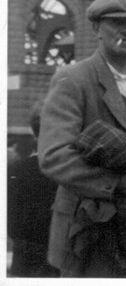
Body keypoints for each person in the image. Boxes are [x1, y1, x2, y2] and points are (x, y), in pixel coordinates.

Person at [37, 0, 126, 278]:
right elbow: (53, 156)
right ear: (97, 29)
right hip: (89, 232)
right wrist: (116, 183)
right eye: (116, 23)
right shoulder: (72, 79)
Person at [7, 100, 59, 277]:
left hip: (24, 266)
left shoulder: (15, 170)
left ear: (33, 130)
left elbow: (12, 228)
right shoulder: (70, 173)